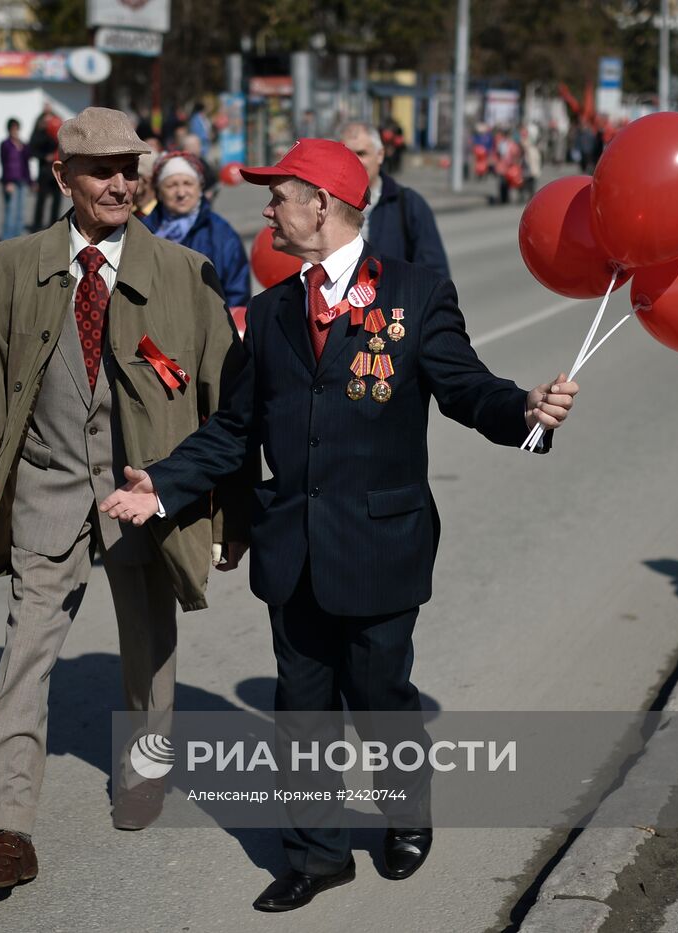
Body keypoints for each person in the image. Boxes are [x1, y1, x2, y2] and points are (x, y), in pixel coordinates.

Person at [99, 139, 579, 912]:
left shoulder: (417, 292)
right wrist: (162, 484)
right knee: (302, 711)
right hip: (293, 547)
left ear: (320, 205)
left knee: (381, 697)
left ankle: (405, 813)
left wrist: (524, 410)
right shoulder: (272, 310)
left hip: (381, 543)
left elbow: (465, 388)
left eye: (277, 196)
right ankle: (317, 854)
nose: (266, 210)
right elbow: (237, 428)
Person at [0, 106, 250, 892]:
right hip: (47, 483)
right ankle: (5, 828)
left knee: (148, 646)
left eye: (130, 169)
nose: (120, 184)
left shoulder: (185, 273)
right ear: (62, 176)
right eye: (101, 170)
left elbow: (226, 402)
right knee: (24, 652)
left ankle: (143, 770)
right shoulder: (14, 263)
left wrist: (229, 511)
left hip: (143, 492)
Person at [140, 150, 250, 307]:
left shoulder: (222, 234)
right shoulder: (143, 231)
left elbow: (237, 294)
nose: (181, 193)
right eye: (171, 185)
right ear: (159, 191)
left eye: (188, 183)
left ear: (200, 188)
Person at [340, 122, 450, 278]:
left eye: (361, 153)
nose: (354, 161)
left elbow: (435, 276)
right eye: (346, 154)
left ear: (380, 155)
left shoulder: (409, 204)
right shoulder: (324, 204)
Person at [0, 118, 33, 241]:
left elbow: (27, 163)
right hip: (11, 181)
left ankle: (18, 239)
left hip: (22, 180)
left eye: (16, 129)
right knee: (11, 212)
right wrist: (7, 182)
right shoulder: (5, 145)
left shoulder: (22, 145)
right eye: (13, 129)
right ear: (9, 130)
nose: (15, 131)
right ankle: (6, 239)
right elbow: (4, 164)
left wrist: (31, 181)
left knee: (20, 212)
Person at [28, 110, 62, 231]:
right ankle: (37, 226)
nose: (49, 122)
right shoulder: (39, 134)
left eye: (50, 119)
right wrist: (44, 156)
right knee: (41, 199)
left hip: (58, 171)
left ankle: (54, 225)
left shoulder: (59, 133)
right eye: (46, 120)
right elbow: (32, 150)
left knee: (57, 199)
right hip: (45, 171)